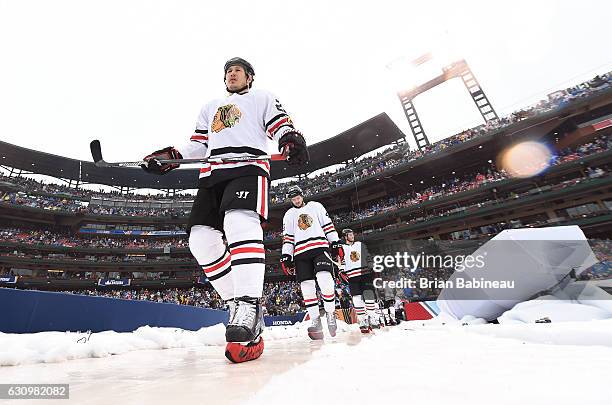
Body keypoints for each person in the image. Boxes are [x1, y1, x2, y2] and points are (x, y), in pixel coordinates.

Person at [141, 57, 308, 363]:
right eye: (228, 71)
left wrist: (289, 138)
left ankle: (248, 302)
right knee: (200, 241)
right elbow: (197, 145)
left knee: (239, 222)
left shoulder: (262, 97)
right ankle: (236, 306)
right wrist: (168, 158)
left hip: (248, 166)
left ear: (250, 77)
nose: (232, 74)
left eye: (238, 71)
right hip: (212, 174)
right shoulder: (211, 106)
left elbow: (281, 125)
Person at [280, 185, 343, 340]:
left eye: (297, 197)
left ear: (302, 195)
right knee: (307, 287)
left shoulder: (316, 207)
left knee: (325, 279)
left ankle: (330, 313)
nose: (296, 200)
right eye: (293, 199)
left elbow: (328, 226)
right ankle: (315, 320)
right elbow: (288, 238)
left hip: (320, 247)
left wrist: (335, 242)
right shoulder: (288, 215)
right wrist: (286, 255)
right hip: (300, 253)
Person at [339, 228, 382, 333]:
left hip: (365, 273)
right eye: (350, 234)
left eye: (352, 234)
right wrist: (341, 271)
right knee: (357, 299)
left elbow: (368, 257)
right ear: (345, 236)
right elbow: (341, 261)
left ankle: (373, 318)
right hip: (352, 276)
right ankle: (362, 321)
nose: (352, 236)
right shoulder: (342, 248)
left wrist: (372, 265)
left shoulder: (360, 244)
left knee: (369, 296)